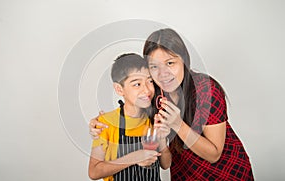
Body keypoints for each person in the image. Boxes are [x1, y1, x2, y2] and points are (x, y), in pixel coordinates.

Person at [89, 28, 254, 180]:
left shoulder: (206, 90)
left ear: (183, 60)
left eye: (170, 63)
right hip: (185, 175)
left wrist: (178, 124)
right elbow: (130, 107)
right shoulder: (155, 93)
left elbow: (214, 154)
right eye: (154, 67)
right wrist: (98, 122)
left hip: (226, 174)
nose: (163, 74)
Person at [88, 53, 171, 181]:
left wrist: (162, 141)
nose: (147, 90)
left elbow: (166, 164)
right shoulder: (106, 123)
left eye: (149, 81)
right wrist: (134, 158)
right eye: (137, 84)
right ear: (119, 89)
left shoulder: (154, 119)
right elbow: (94, 172)